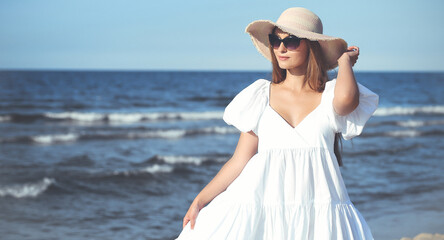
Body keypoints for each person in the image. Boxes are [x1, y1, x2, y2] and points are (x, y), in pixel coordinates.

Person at [175, 7, 378, 240]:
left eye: (291, 41)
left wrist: (344, 62)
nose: (281, 48)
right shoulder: (260, 95)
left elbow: (347, 101)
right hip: (263, 206)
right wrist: (200, 201)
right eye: (275, 40)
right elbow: (239, 160)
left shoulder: (329, 95)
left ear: (312, 46)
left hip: (318, 210)